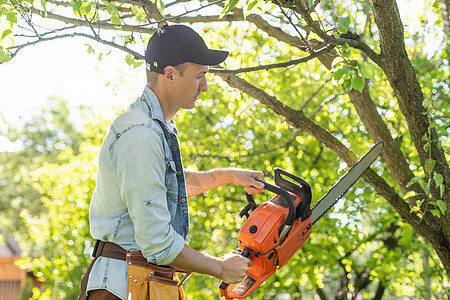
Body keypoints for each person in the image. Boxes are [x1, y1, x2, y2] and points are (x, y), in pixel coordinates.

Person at [79, 24, 265, 300]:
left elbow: (169, 186)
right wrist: (221, 268)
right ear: (169, 74)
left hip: (143, 282)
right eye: (199, 76)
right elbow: (157, 243)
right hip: (122, 288)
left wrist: (230, 175)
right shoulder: (140, 135)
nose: (205, 87)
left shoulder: (154, 128)